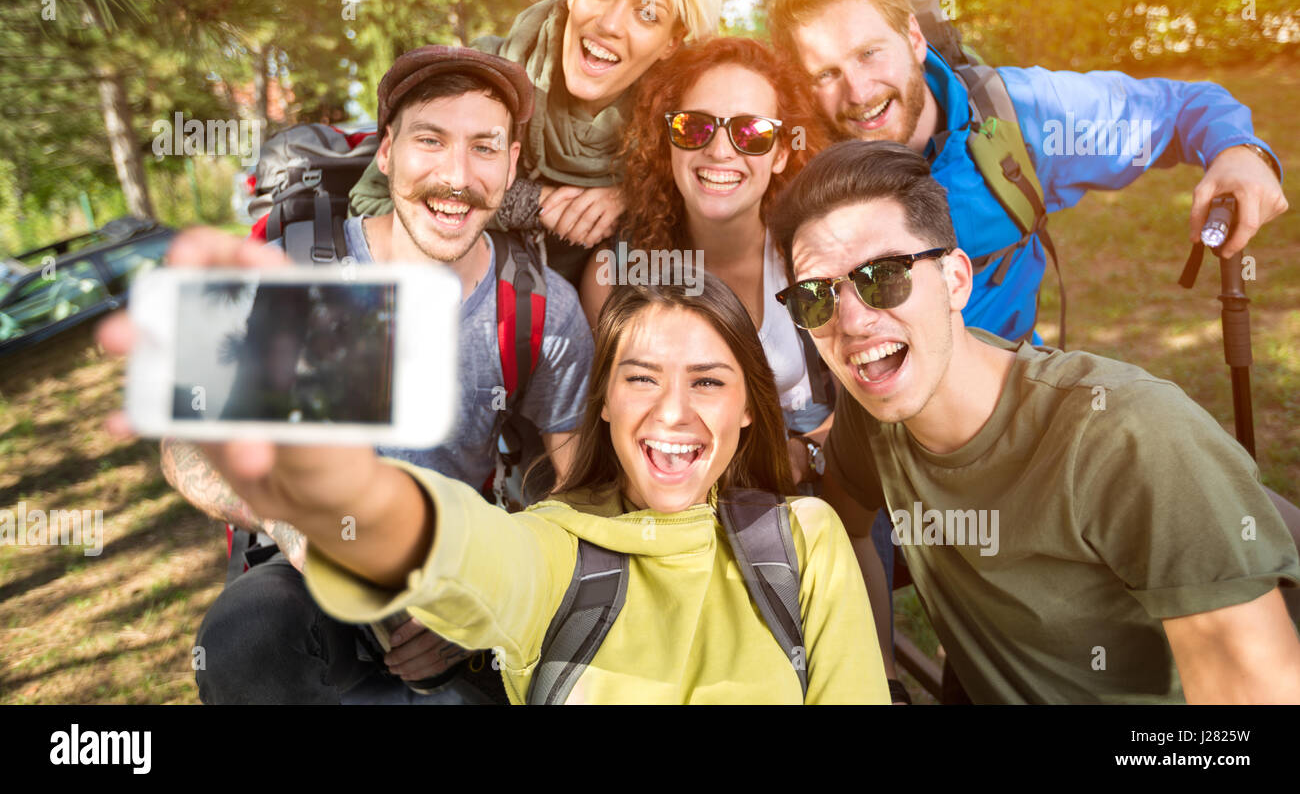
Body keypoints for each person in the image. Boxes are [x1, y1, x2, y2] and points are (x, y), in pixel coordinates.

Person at [103, 265, 891, 704]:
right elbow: (464, 546)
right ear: (607, 404)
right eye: (642, 379)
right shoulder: (557, 543)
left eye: (709, 383)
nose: (673, 413)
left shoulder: (804, 540)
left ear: (752, 409)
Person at [769, 141, 1300, 703]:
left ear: (956, 280)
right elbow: (851, 532)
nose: (851, 320)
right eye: (816, 297)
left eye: (883, 277)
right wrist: (884, 681)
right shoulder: (873, 408)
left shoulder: (1127, 437)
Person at [159, 45, 595, 704]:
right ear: (386, 151)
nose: (455, 176)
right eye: (430, 140)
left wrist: (488, 610)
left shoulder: (540, 308)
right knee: (243, 640)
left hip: (448, 583)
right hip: (302, 574)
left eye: (483, 147)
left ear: (510, 166)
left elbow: (578, 496)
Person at [768, 0, 1288, 344]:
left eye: (868, 53)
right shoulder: (789, 160)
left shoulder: (1020, 114)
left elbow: (1176, 110)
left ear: (914, 38)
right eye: (826, 73)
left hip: (1009, 412)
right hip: (859, 433)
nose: (857, 92)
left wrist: (1241, 152)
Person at [349, 0, 723, 283]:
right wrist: (527, 204)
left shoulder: (687, 121)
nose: (610, 24)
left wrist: (633, 197)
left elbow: (726, 219)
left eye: (647, 14)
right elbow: (371, 206)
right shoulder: (480, 75)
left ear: (671, 42)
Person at [579, 37, 833, 479]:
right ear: (670, 140)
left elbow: (868, 403)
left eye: (752, 133)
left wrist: (804, 453)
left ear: (780, 154)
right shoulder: (615, 274)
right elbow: (602, 429)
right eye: (694, 127)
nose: (719, 150)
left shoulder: (815, 259)